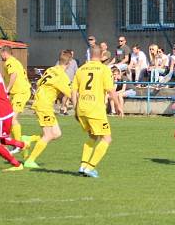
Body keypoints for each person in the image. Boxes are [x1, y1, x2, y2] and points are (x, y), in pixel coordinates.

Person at [71, 44, 121, 178]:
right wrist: (118, 107)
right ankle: (90, 167)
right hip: (95, 109)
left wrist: (75, 109)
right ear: (102, 55)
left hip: (82, 108)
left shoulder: (81, 69)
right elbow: (111, 91)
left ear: (90, 54)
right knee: (107, 138)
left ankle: (83, 165)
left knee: (93, 136)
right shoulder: (104, 69)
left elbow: (73, 91)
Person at [21, 50, 72, 169]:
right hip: (44, 105)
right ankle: (30, 160)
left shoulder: (50, 69)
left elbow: (39, 82)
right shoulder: (62, 76)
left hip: (43, 104)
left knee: (57, 133)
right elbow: (70, 93)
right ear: (69, 64)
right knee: (48, 135)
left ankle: (29, 139)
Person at [1, 45, 31, 150]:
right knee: (10, 118)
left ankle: (17, 145)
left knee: (13, 118)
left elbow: (13, 75)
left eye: (1, 53)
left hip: (21, 92)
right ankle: (15, 143)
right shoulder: (15, 61)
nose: (1, 55)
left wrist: (7, 89)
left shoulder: (9, 62)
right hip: (18, 92)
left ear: (4, 53)